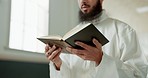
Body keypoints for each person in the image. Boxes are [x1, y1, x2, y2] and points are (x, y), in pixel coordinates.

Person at [45, 0, 148, 78]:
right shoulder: (70, 36)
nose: (83, 1)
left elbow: (138, 75)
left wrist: (101, 59)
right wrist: (57, 64)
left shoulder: (124, 31)